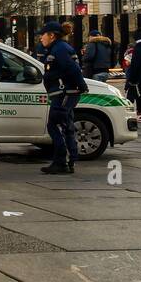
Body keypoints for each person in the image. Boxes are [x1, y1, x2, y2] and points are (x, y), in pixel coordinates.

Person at [38, 20, 86, 173]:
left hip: (64, 93)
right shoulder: (57, 48)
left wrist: (81, 85)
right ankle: (68, 160)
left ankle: (62, 161)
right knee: (64, 125)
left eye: (43, 35)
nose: (41, 38)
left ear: (52, 35)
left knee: (56, 125)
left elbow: (73, 68)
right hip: (63, 93)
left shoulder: (59, 49)